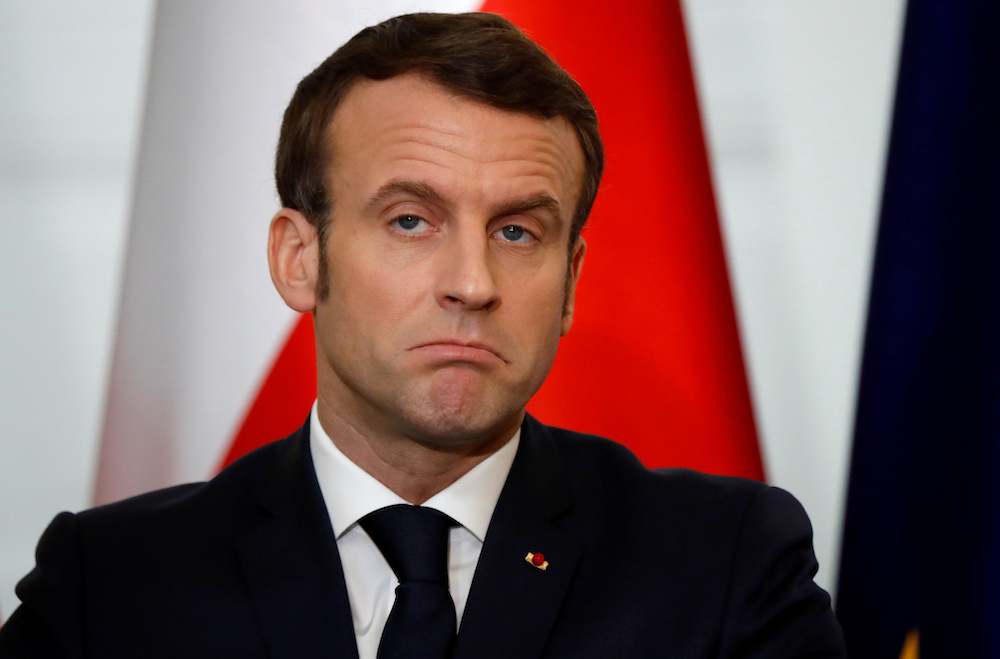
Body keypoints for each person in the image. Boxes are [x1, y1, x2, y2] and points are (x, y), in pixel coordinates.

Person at [0, 12, 845, 658]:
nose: (472, 284)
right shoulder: (110, 588)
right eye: (411, 220)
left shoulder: (727, 567)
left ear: (572, 285)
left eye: (517, 232)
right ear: (300, 258)